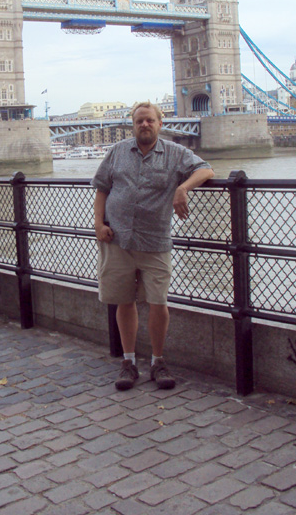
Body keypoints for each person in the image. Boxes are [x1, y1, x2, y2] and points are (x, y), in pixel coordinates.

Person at [92, 101, 214, 391]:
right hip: (117, 239)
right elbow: (101, 188)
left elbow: (206, 169)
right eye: (139, 122)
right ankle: (129, 362)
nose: (144, 125)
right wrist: (98, 224)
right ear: (133, 125)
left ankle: (158, 361)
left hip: (155, 241)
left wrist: (182, 188)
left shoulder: (175, 153)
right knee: (124, 300)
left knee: (158, 303)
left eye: (149, 121)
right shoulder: (117, 151)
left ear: (160, 123)